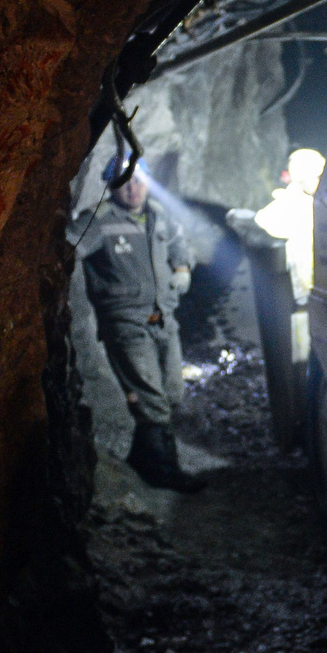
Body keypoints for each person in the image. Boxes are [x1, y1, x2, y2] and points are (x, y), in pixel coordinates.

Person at [77, 157, 203, 492]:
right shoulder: (98, 220)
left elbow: (180, 245)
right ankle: (164, 471)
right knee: (152, 400)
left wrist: (183, 267)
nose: (133, 189)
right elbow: (65, 247)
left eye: (139, 181)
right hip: (125, 322)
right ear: (111, 184)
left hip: (163, 318)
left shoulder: (159, 214)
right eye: (124, 182)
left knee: (172, 393)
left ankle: (140, 458)